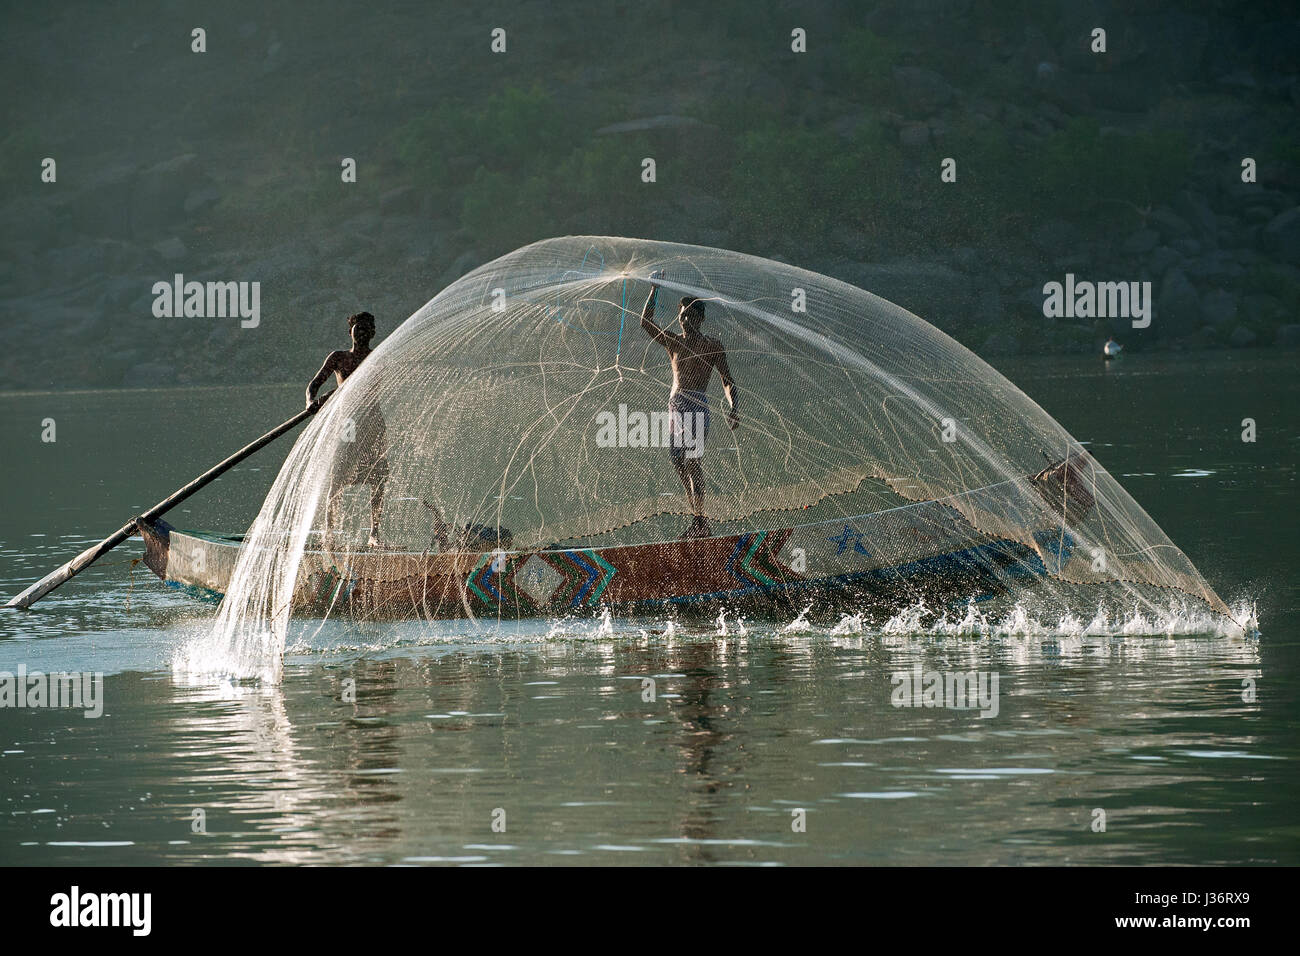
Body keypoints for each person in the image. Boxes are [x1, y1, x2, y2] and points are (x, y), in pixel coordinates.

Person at [641, 271, 739, 539]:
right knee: (676, 460)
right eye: (682, 315)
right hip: (676, 406)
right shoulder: (674, 342)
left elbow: (727, 381)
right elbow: (645, 322)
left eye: (691, 316)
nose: (685, 321)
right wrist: (655, 289)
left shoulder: (713, 346)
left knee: (692, 461)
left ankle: (700, 522)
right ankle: (697, 518)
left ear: (701, 319)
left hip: (697, 406)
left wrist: (734, 406)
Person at [306, 311, 388, 548]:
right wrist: (311, 402)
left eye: (366, 328)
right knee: (338, 476)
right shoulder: (338, 358)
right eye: (357, 327)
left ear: (373, 333)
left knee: (379, 474)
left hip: (373, 422)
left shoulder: (377, 358)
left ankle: (374, 533)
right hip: (348, 424)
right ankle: (329, 534)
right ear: (350, 332)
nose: (361, 331)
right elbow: (314, 385)